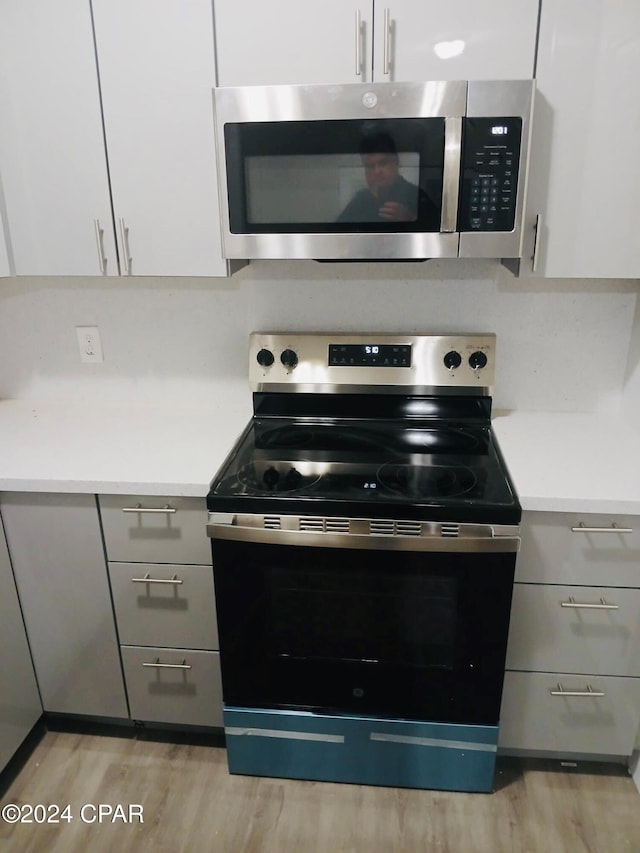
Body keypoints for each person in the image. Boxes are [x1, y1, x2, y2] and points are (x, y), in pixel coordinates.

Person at [336, 132, 438, 225]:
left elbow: (439, 239)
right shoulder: (360, 200)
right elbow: (336, 237)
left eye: (383, 163)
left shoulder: (416, 196)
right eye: (370, 166)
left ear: (396, 162)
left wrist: (411, 218)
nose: (377, 172)